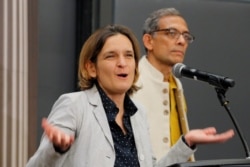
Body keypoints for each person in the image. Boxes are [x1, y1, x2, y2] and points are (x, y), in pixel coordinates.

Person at [26, 24, 234, 167]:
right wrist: (57, 148)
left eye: (129, 55)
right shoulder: (73, 105)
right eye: (111, 56)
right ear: (91, 68)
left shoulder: (137, 113)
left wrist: (185, 143)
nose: (122, 63)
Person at [131, 7, 228, 160]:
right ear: (149, 41)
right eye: (171, 33)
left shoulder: (176, 82)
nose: (182, 41)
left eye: (186, 36)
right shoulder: (130, 81)